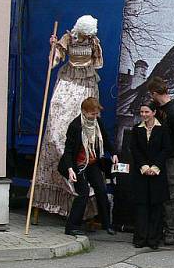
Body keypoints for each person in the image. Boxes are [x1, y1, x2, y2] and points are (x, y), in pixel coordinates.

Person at [33, 15, 104, 218]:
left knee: (84, 124)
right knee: (56, 125)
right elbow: (54, 61)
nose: (87, 36)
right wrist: (54, 47)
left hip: (87, 83)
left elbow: (97, 63)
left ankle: (81, 197)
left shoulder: (94, 42)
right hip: (68, 80)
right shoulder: (68, 38)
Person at [58, 97, 117, 237]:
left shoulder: (97, 123)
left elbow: (106, 139)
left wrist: (113, 153)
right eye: (92, 114)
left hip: (91, 162)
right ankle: (71, 227)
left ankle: (107, 224)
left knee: (102, 191)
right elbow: (68, 150)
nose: (95, 117)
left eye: (96, 114)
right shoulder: (75, 126)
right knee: (83, 193)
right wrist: (70, 169)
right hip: (77, 165)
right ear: (84, 112)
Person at [146, 76, 174, 245]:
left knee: (170, 196)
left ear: (156, 93)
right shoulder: (155, 109)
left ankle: (171, 231)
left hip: (170, 160)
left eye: (151, 94)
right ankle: (156, 229)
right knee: (155, 194)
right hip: (156, 158)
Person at [130, 101, 172, 250]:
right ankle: (140, 238)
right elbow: (135, 150)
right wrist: (144, 167)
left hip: (157, 173)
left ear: (154, 112)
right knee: (141, 205)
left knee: (156, 206)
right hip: (141, 173)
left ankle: (154, 239)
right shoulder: (136, 129)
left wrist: (155, 167)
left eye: (147, 112)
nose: (144, 115)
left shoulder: (163, 129)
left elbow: (166, 149)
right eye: (142, 112)